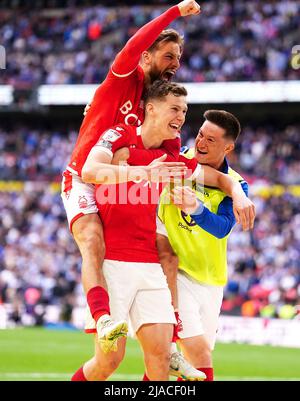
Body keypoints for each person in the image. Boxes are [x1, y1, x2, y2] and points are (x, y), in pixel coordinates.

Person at [72, 82, 255, 381]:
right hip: (114, 261)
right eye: (175, 109)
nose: (182, 117)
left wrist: (238, 190)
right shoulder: (118, 136)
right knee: (108, 362)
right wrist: (142, 173)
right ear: (151, 109)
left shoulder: (174, 155)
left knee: (159, 363)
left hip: (151, 266)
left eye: (184, 110)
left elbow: (219, 179)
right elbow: (90, 171)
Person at [61, 0, 201, 354]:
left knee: (165, 252)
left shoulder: (154, 103)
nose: (175, 65)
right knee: (92, 240)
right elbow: (132, 45)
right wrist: (173, 13)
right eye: (168, 56)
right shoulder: (126, 75)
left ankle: (169, 341)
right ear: (146, 56)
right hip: (84, 178)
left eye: (178, 58)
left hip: (126, 184)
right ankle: (102, 318)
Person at [156, 109, 256, 381]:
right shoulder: (180, 158)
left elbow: (222, 229)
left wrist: (195, 208)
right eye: (200, 134)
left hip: (211, 280)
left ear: (228, 147)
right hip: (175, 273)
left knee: (190, 362)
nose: (200, 143)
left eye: (211, 140)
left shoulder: (237, 185)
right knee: (198, 354)